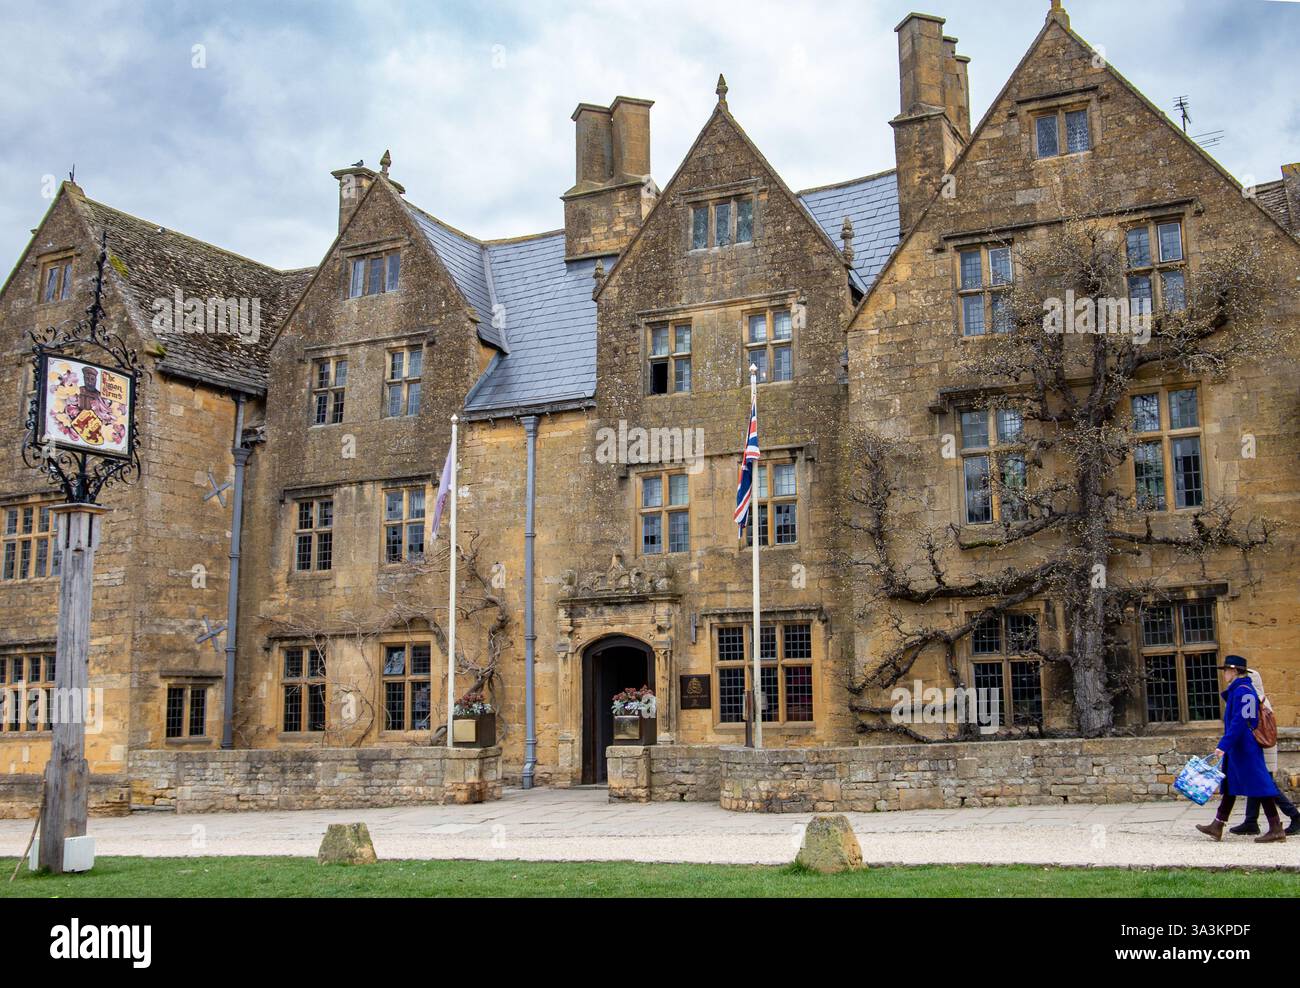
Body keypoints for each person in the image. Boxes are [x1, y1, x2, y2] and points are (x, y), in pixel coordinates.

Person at [1196, 655, 1287, 843]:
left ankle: (1276, 828)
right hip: (1238, 748)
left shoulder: (1244, 691)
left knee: (1261, 786)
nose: (1225, 674)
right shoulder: (1238, 690)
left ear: (1236, 671)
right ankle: (1217, 825)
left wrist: (1223, 745)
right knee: (1229, 785)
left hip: (1246, 747)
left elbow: (1241, 722)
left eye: (1227, 671)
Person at [1228, 668, 1300, 835]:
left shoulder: (1253, 699)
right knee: (1257, 784)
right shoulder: (1257, 697)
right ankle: (1251, 821)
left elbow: (1248, 726)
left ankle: (1295, 816)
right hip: (1263, 749)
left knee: (1267, 786)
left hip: (1260, 750)